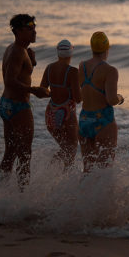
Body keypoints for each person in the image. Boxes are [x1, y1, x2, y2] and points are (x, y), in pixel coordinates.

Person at [0, 14, 50, 188]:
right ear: (19, 31)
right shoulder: (17, 52)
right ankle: (22, 196)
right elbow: (9, 80)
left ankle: (1, 190)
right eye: (30, 29)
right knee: (25, 155)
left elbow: (20, 72)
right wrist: (34, 90)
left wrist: (32, 61)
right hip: (18, 106)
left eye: (34, 27)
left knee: (10, 152)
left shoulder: (16, 49)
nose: (34, 32)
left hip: (6, 104)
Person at [78, 32, 123, 171]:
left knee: (87, 169)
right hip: (103, 121)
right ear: (107, 48)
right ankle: (105, 194)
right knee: (105, 170)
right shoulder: (110, 70)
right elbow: (111, 99)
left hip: (85, 119)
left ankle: (82, 193)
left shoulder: (82, 66)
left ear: (91, 47)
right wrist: (120, 98)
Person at [39, 39, 82, 170]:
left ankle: (50, 169)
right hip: (67, 113)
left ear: (57, 52)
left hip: (51, 113)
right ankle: (65, 178)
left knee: (65, 148)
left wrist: (55, 92)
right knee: (72, 147)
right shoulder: (73, 72)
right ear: (71, 53)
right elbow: (78, 99)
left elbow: (42, 91)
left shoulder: (49, 67)